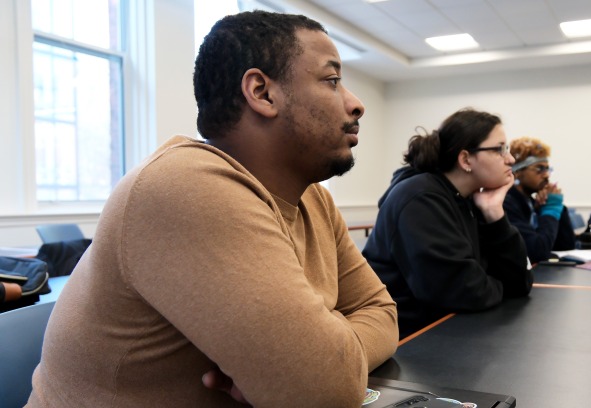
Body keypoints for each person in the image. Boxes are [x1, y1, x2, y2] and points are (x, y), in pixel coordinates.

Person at [27, 11, 398, 408]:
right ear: (262, 92)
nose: (355, 104)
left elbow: (380, 312)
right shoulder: (185, 185)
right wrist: (313, 364)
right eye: (332, 80)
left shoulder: (312, 198)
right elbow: (324, 392)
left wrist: (326, 355)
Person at [362, 108, 533, 339]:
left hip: (446, 331)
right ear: (465, 159)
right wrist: (499, 284)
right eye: (500, 149)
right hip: (406, 343)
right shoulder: (420, 198)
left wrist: (494, 213)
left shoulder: (470, 200)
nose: (510, 159)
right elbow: (462, 291)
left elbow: (519, 282)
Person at [503, 137, 576, 263]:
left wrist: (556, 206)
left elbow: (566, 245)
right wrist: (551, 208)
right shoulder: (507, 203)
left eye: (547, 169)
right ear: (518, 172)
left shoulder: (530, 202)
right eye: (539, 168)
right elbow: (537, 252)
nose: (547, 175)